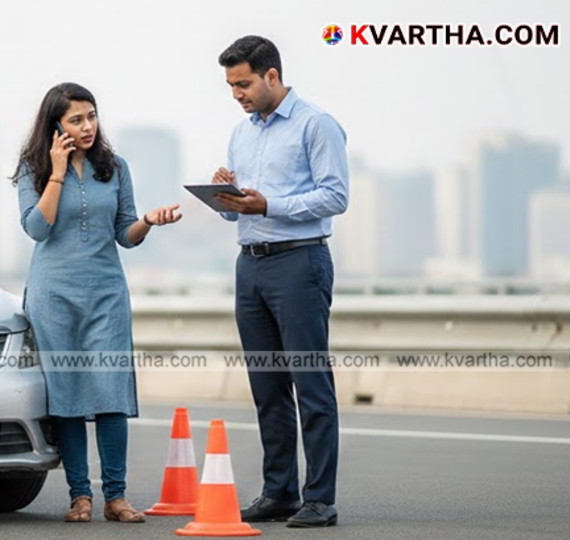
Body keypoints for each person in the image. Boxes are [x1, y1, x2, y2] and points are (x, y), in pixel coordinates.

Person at [13, 82, 181, 523]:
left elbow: (125, 234)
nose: (88, 126)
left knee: (110, 393)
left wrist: (147, 221)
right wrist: (56, 169)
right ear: (55, 127)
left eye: (92, 116)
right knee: (66, 395)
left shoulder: (115, 167)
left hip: (106, 292)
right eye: (76, 120)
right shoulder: (31, 169)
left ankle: (117, 497)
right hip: (54, 295)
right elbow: (37, 228)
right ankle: (79, 497)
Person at [211, 35, 349, 528]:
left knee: (310, 383)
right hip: (250, 264)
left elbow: (335, 196)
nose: (237, 95)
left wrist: (269, 204)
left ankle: (320, 499)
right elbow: (242, 214)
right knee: (267, 387)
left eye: (243, 83)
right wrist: (227, 197)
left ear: (272, 76)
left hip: (299, 263)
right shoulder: (241, 134)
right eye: (230, 86)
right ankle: (280, 492)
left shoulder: (317, 125)